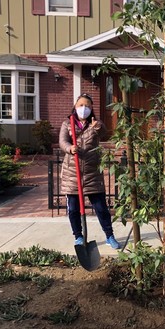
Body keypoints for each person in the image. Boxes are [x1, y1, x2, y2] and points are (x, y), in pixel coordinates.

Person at [58, 93, 121, 250]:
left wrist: (98, 128)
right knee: (73, 208)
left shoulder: (95, 123)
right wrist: (70, 148)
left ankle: (109, 236)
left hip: (92, 173)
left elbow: (104, 133)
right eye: (80, 105)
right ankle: (78, 236)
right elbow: (62, 141)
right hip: (72, 173)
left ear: (92, 108)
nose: (83, 108)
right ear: (75, 106)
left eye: (87, 106)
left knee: (100, 207)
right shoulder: (67, 123)